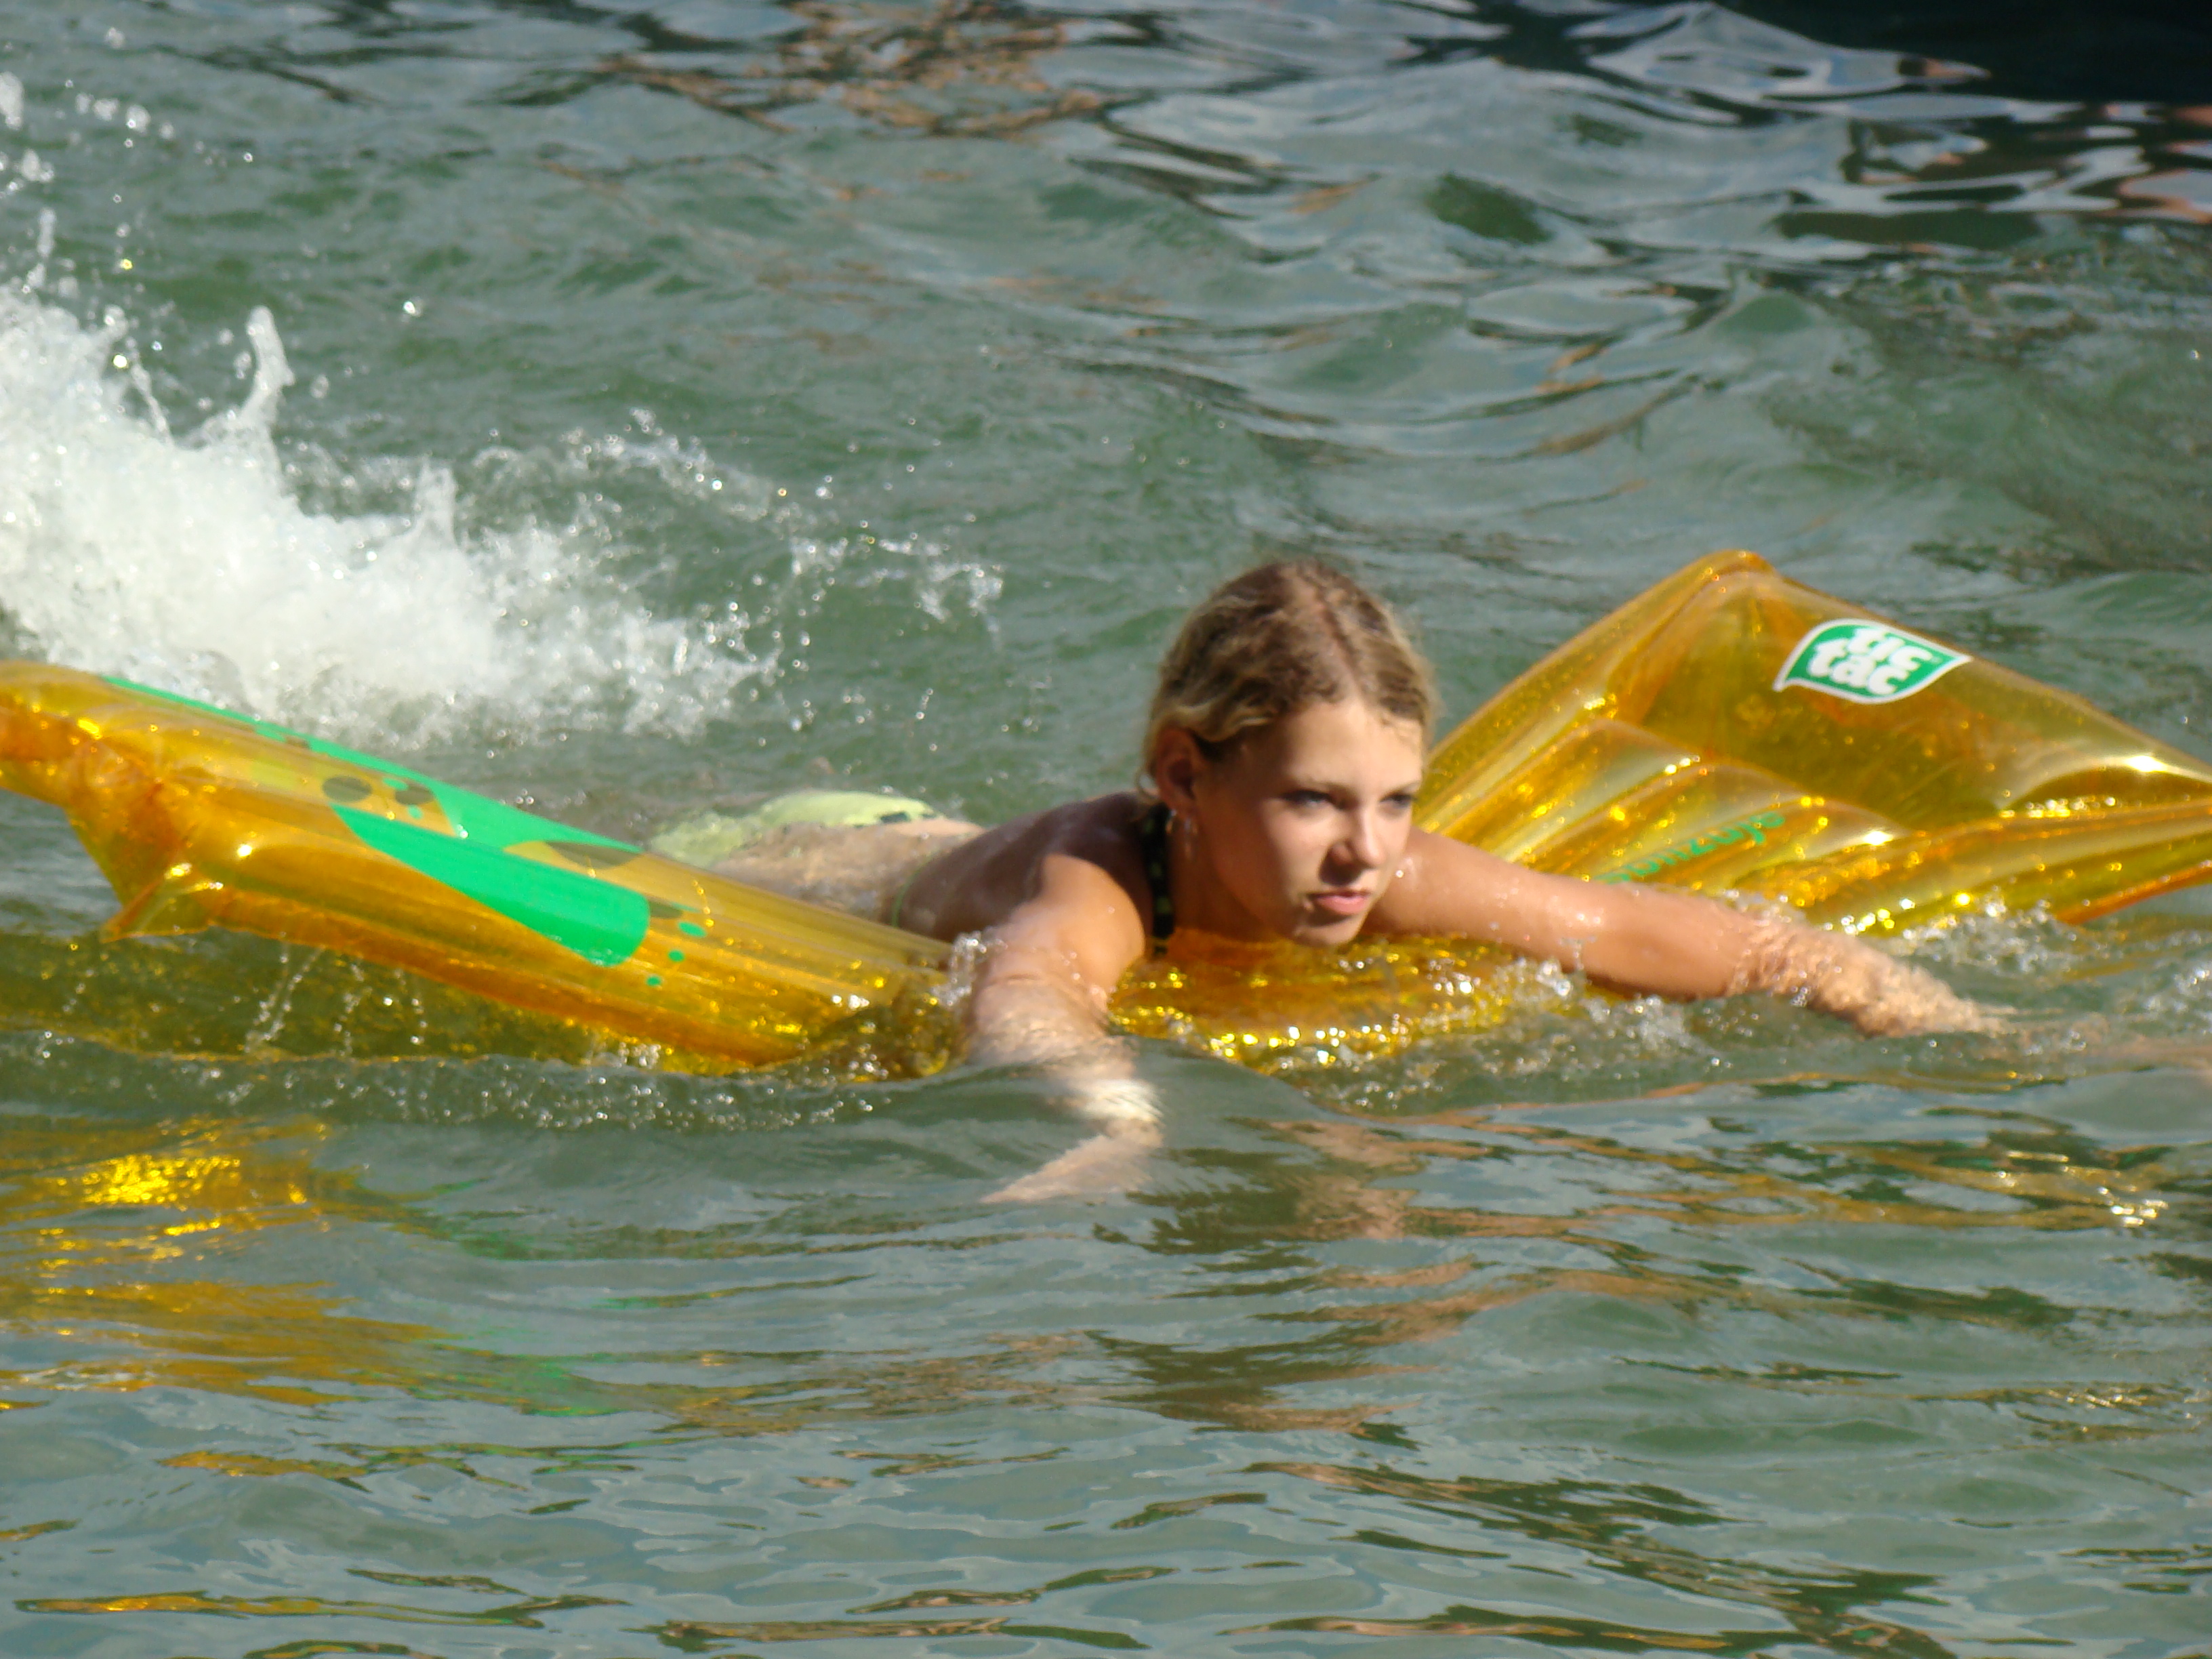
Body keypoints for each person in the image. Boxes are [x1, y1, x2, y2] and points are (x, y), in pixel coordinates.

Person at [678, 561, 1992, 1200]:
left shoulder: (1382, 871)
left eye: (1396, 799)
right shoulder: (1102, 872)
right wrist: (1112, 1120)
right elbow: (1028, 999)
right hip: (821, 866)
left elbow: (1712, 940)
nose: (1366, 849)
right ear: (1184, 776)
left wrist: (1946, 1024)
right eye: (1313, 801)